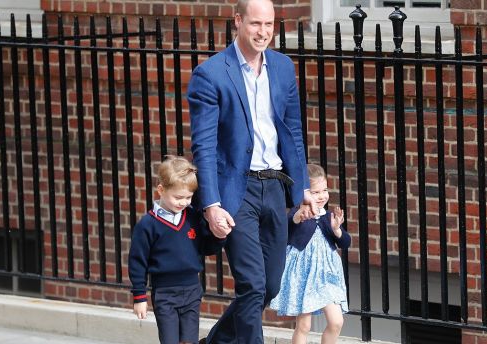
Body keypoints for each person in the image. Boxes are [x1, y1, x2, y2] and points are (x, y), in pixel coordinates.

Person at [187, 0, 316, 342]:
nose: (263, 32)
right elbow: (205, 146)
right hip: (236, 192)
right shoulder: (211, 73)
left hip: (274, 187)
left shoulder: (283, 67)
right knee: (252, 284)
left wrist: (301, 185)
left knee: (269, 286)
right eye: (256, 24)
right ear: (238, 21)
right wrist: (211, 205)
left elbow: (292, 132)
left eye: (269, 25)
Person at [128, 155, 227, 344]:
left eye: (189, 197)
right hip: (164, 293)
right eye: (178, 197)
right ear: (161, 190)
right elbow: (137, 261)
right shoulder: (148, 225)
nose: (184, 202)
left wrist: (220, 236)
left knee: (189, 341)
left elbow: (206, 248)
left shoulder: (193, 217)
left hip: (192, 290)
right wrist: (139, 297)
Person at [270, 164, 350, 344]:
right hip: (303, 274)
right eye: (315, 192)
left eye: (325, 190)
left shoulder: (329, 217)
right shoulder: (297, 214)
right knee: (304, 326)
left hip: (327, 275)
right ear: (304, 192)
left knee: (336, 322)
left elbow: (345, 243)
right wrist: (298, 216)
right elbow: (287, 232)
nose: (322, 196)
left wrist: (337, 230)